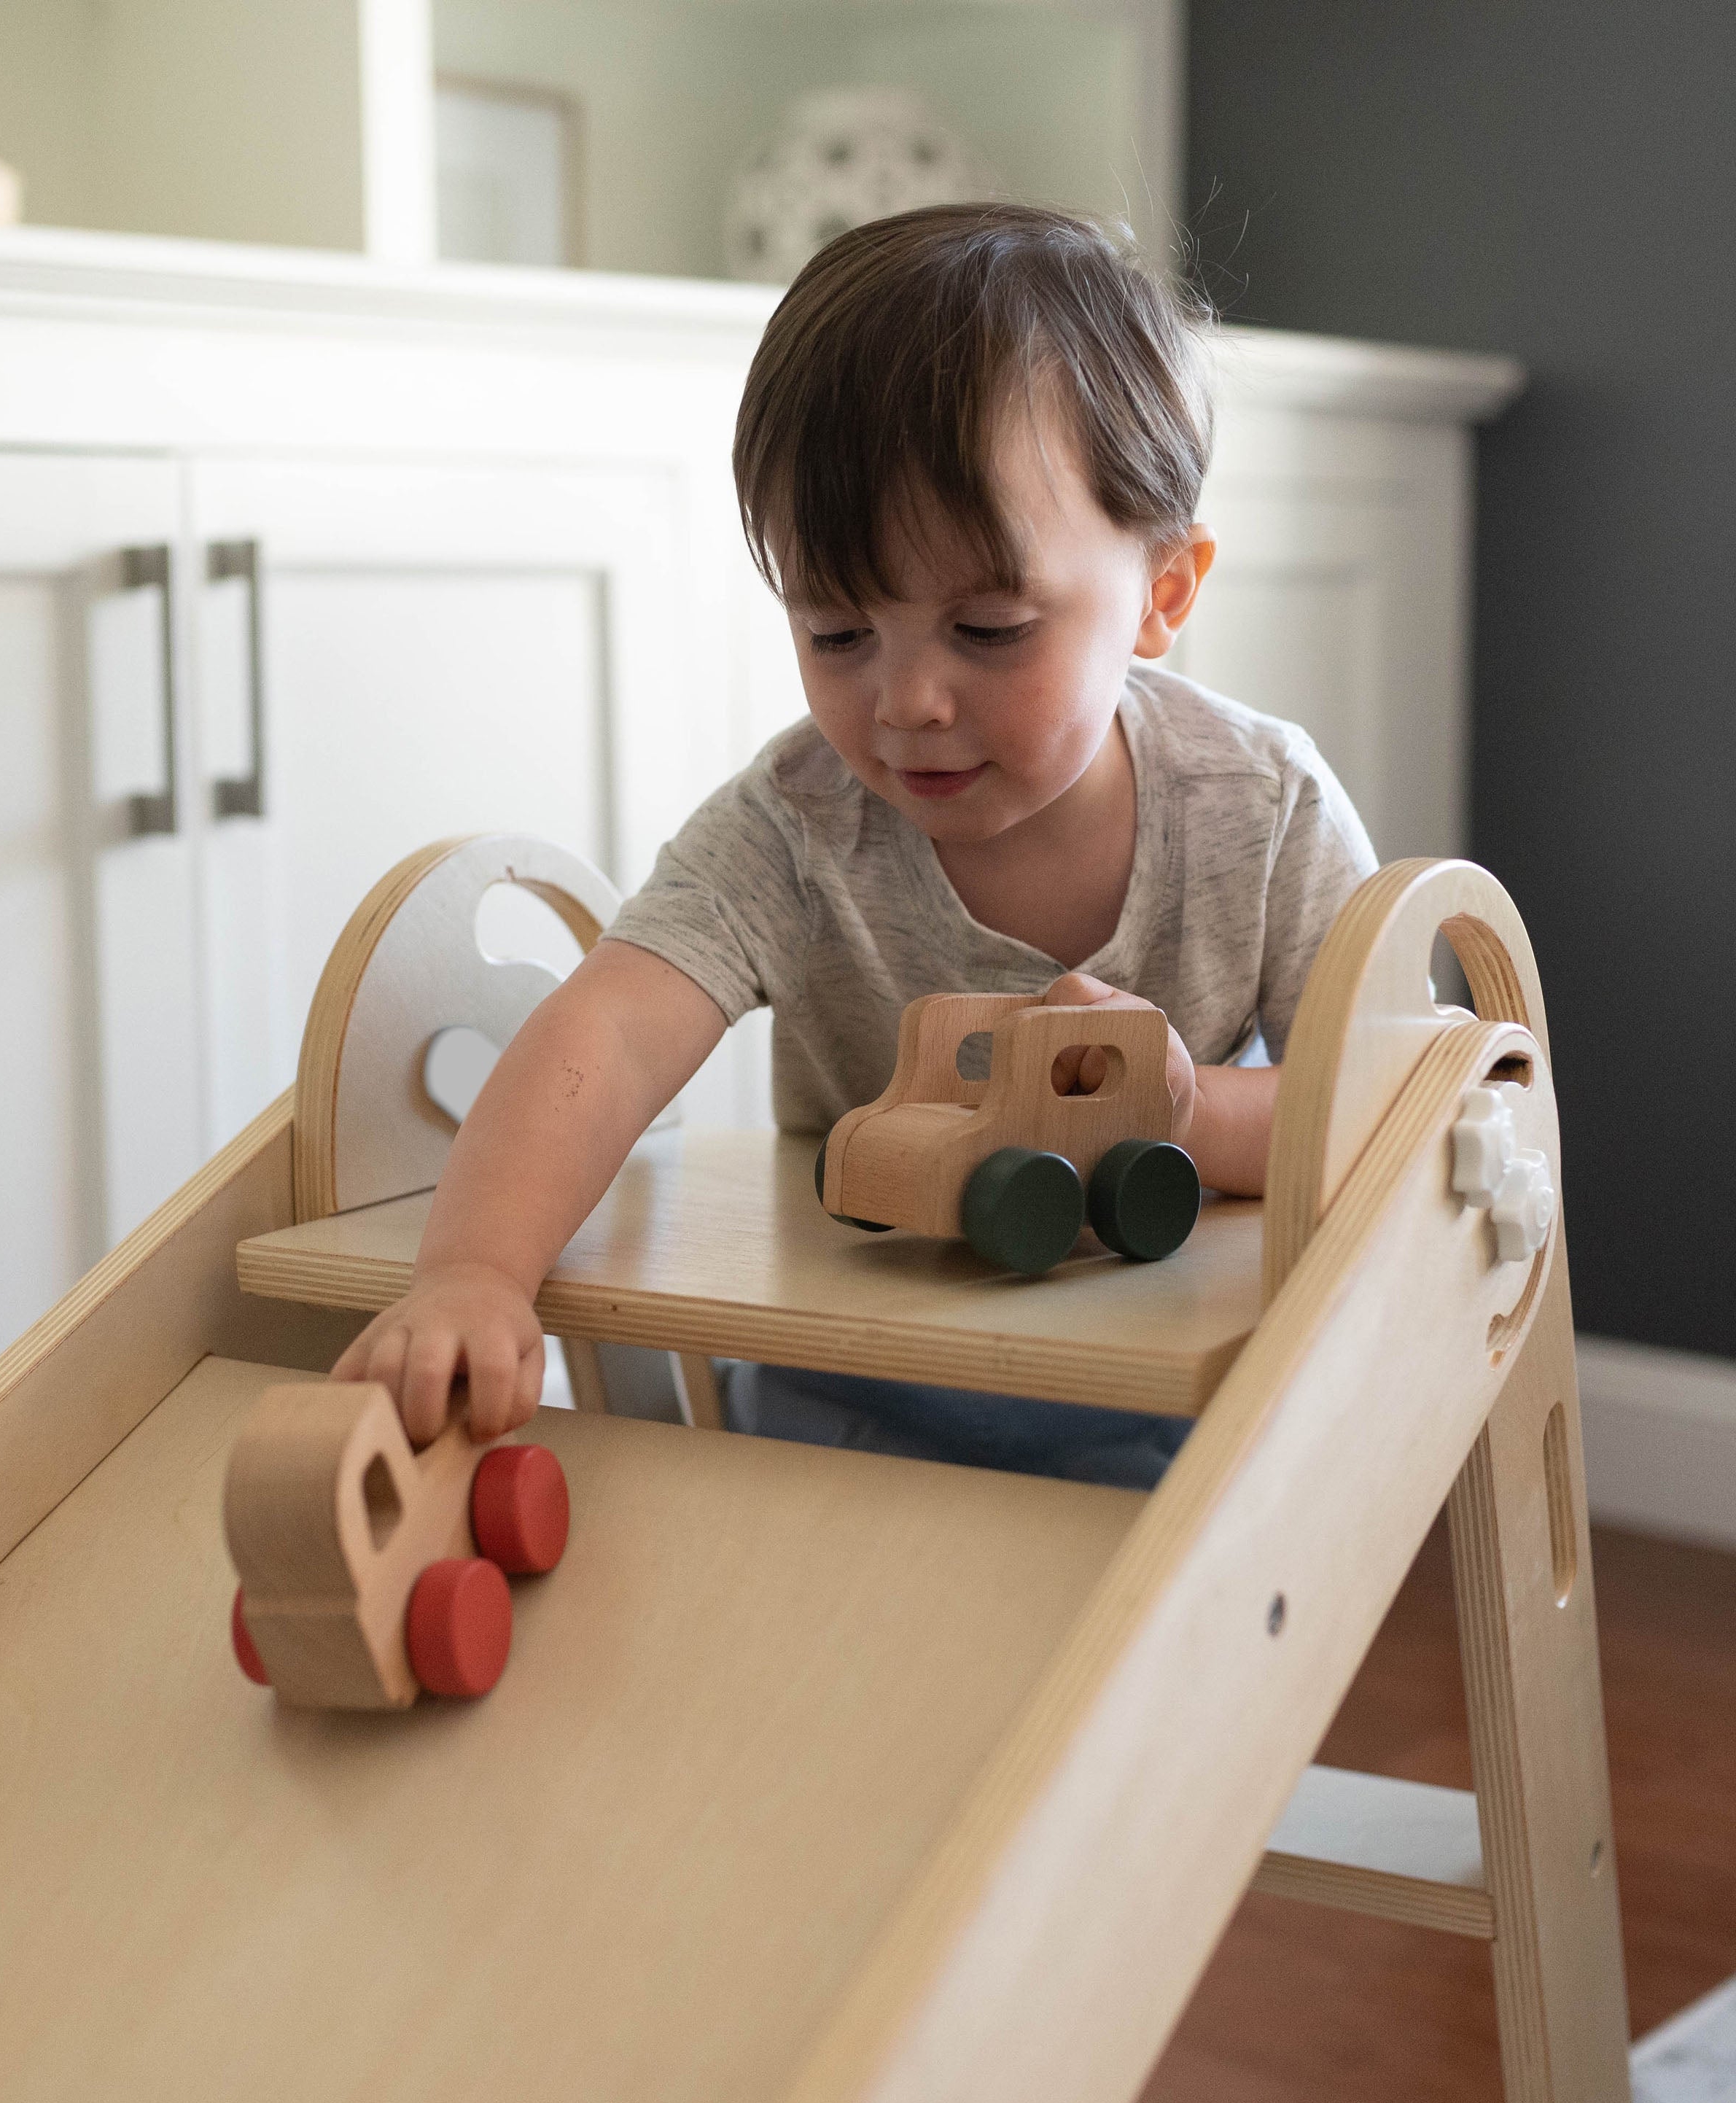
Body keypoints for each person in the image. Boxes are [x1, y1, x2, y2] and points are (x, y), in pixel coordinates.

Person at [333, 202, 1377, 1488]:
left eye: (989, 630)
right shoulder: (791, 828)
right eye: (837, 633)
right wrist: (475, 1274)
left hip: (1186, 1415)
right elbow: (600, 1039)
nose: (906, 703)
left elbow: (1391, 1105)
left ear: (1164, 591)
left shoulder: (1261, 807)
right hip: (847, 1406)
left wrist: (1186, 1110)